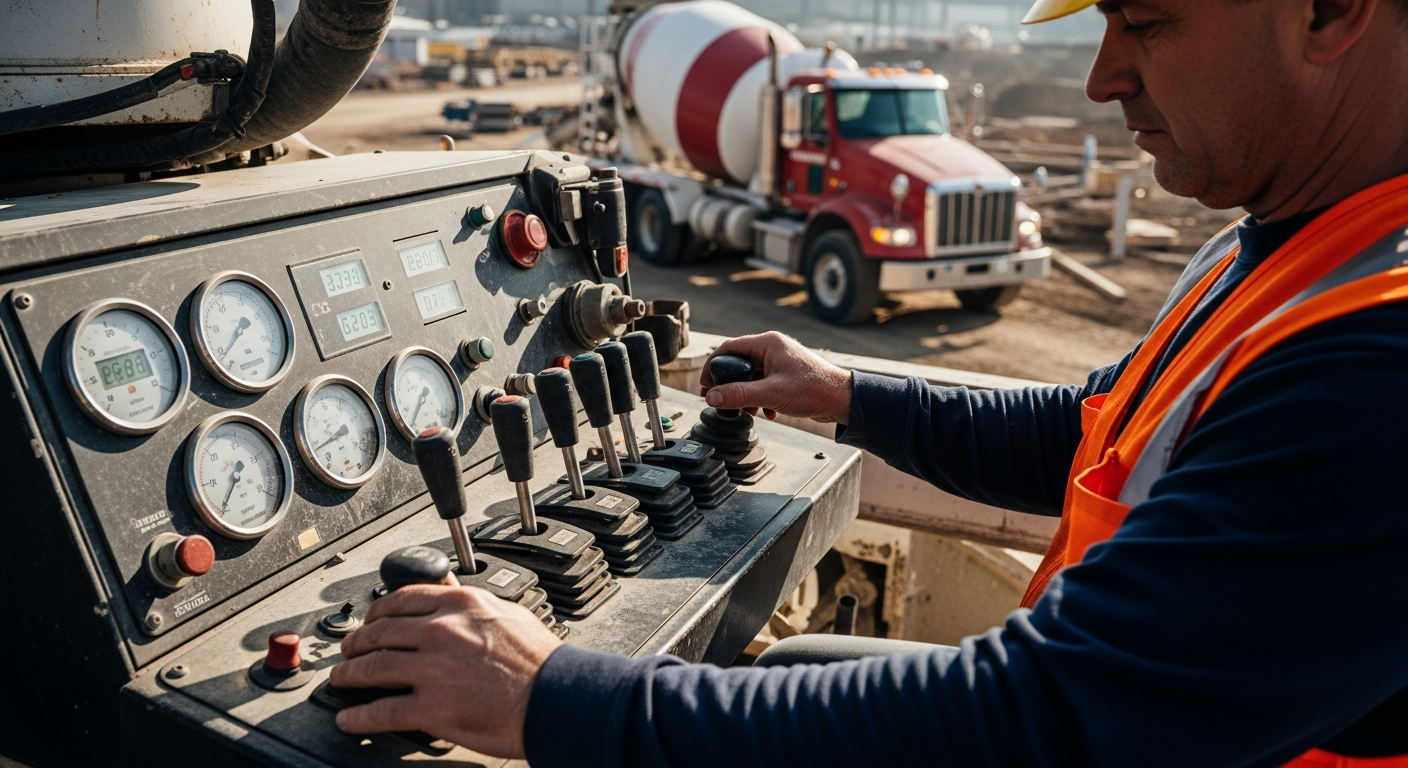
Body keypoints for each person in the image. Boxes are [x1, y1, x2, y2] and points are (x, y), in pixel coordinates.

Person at [329, 0, 1408, 764]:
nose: (1101, 76)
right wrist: (845, 394)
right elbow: (1088, 434)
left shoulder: (1375, 362)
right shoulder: (1280, 252)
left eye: (1149, 21)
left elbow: (1048, 719)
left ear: (1329, 10)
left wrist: (552, 697)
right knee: (783, 667)